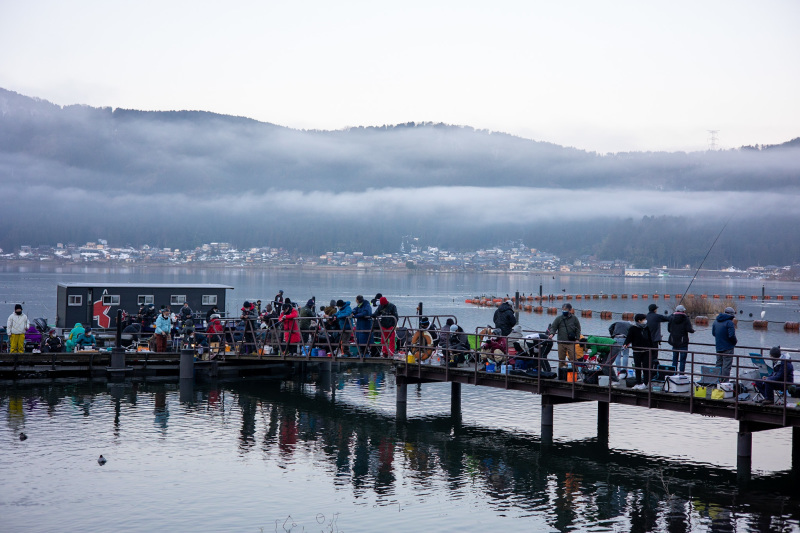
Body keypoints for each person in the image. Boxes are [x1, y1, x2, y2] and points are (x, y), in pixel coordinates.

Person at [625, 313, 655, 389]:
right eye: (644, 319)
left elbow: (650, 338)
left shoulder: (646, 328)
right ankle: (638, 382)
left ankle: (645, 383)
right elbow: (629, 337)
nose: (645, 321)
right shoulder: (633, 328)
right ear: (639, 320)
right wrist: (625, 344)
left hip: (646, 350)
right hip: (637, 351)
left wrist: (652, 348)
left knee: (646, 367)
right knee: (637, 367)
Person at [548, 303, 581, 369]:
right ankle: (561, 373)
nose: (564, 311)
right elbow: (554, 327)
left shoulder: (574, 319)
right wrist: (552, 334)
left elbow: (578, 329)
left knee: (573, 358)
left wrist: (577, 338)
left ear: (570, 310)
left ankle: (576, 372)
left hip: (571, 342)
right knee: (561, 359)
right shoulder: (559, 318)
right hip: (561, 342)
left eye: (565, 309)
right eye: (563, 309)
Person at [712, 306, 738, 381]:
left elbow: (714, 333)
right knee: (726, 366)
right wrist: (734, 342)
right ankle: (724, 383)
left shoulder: (716, 321)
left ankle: (717, 381)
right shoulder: (729, 323)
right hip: (728, 347)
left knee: (718, 364)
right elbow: (731, 335)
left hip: (718, 346)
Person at [667, 304, 695, 373]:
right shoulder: (685, 318)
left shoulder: (671, 318)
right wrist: (692, 330)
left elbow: (669, 329)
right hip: (683, 342)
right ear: (683, 311)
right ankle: (681, 374)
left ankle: (673, 374)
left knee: (674, 359)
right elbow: (689, 329)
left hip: (674, 342)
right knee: (682, 360)